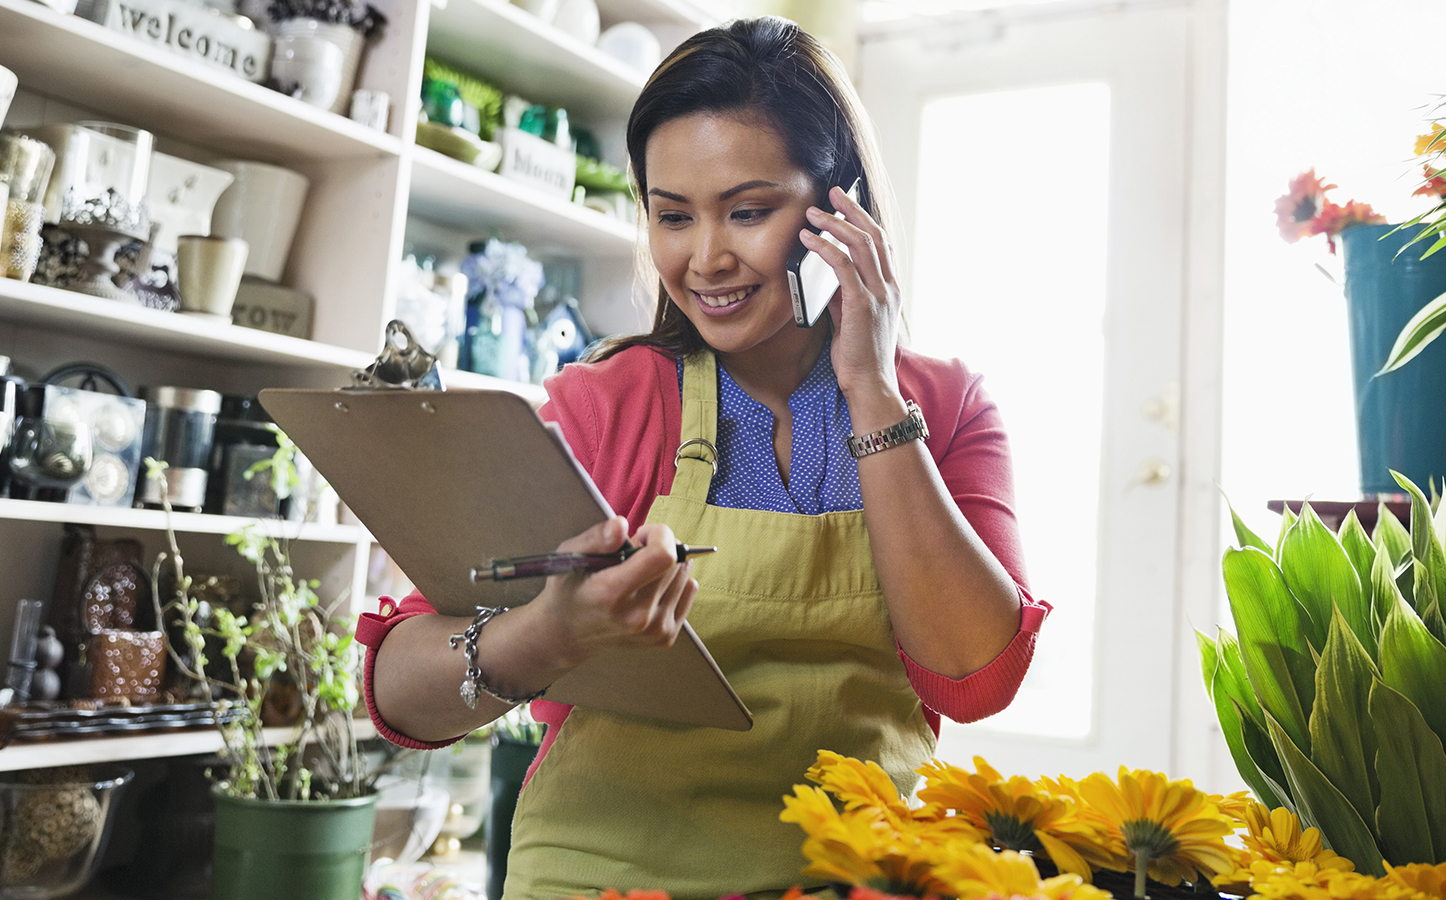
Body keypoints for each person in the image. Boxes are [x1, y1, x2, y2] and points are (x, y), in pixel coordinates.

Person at [357, 16, 1048, 900]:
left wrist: (874, 393)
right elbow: (398, 688)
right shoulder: (606, 406)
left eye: (749, 211)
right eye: (672, 216)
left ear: (845, 210)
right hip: (609, 875)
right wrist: (553, 632)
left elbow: (976, 675)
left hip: (861, 877)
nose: (706, 258)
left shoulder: (946, 407)